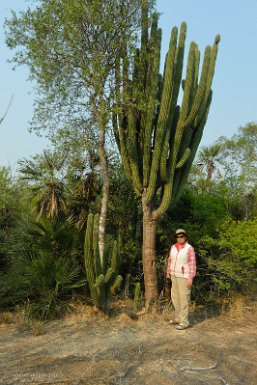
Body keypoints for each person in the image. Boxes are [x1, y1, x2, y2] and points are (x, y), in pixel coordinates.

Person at [166, 228, 196, 330]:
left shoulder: (189, 248)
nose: (179, 238)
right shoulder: (173, 247)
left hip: (184, 277)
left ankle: (184, 321)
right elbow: (170, 260)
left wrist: (190, 278)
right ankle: (178, 318)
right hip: (174, 275)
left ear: (185, 237)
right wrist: (168, 271)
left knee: (184, 299)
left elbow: (192, 264)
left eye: (181, 236)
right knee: (175, 297)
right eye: (177, 237)